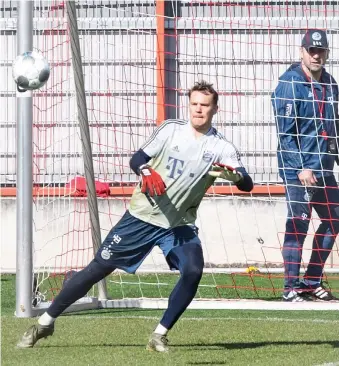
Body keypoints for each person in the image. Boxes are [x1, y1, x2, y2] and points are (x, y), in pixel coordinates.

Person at [17, 80, 253, 351]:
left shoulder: (221, 146)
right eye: (195, 104)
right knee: (98, 269)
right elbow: (137, 158)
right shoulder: (171, 130)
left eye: (205, 105)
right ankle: (45, 323)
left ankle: (158, 335)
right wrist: (146, 170)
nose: (199, 110)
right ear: (189, 105)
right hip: (142, 217)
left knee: (193, 270)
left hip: (178, 225)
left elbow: (246, 182)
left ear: (215, 109)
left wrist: (236, 177)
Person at [271, 29, 339, 302]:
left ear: (326, 54)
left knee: (334, 219)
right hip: (298, 169)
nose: (315, 55)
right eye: (311, 50)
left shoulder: (331, 85)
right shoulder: (290, 84)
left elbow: (334, 129)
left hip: (323, 168)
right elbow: (285, 135)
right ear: (302, 51)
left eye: (320, 51)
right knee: (298, 223)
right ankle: (290, 287)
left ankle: (311, 281)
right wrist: (301, 168)